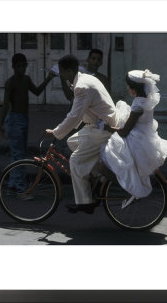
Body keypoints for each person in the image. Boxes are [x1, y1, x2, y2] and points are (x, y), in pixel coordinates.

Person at [45, 55, 117, 214]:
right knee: (72, 141)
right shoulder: (86, 79)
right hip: (99, 124)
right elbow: (79, 113)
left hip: (103, 128)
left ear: (69, 71)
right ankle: (95, 176)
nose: (61, 75)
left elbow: (74, 116)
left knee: (75, 161)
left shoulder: (82, 87)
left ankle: (85, 202)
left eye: (62, 72)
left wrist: (56, 132)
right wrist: (64, 131)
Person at [99, 69, 167, 209]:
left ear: (133, 88)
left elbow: (124, 131)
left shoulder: (138, 105)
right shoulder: (145, 100)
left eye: (128, 85)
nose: (127, 87)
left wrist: (107, 128)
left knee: (102, 166)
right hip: (143, 137)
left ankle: (130, 190)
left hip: (134, 141)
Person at [0, 53, 56, 193]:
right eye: (18, 66)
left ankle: (13, 184)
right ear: (13, 67)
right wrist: (1, 124)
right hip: (14, 120)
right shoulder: (10, 82)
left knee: (18, 154)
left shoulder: (26, 79)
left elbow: (37, 91)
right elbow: (5, 105)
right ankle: (20, 188)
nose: (21, 69)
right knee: (18, 155)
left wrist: (48, 78)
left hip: (24, 119)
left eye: (24, 66)